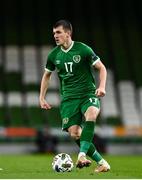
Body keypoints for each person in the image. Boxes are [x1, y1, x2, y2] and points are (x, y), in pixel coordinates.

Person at [39, 19, 110, 173]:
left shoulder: (83, 50)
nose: (55, 36)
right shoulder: (53, 55)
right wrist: (42, 97)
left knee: (91, 113)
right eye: (54, 33)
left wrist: (102, 87)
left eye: (58, 32)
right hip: (69, 99)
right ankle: (102, 163)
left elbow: (102, 68)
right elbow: (46, 76)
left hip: (87, 94)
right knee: (75, 133)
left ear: (68, 33)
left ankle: (82, 155)